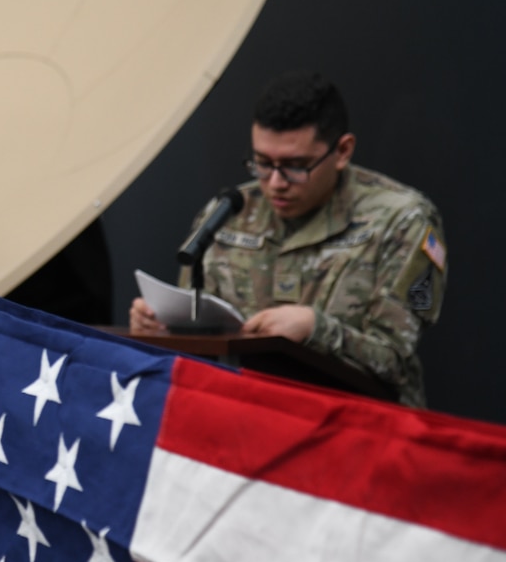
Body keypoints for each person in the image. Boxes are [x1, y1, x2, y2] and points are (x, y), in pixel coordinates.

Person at [129, 70, 446, 407]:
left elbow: (395, 359)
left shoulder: (402, 219)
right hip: (245, 421)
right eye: (263, 164)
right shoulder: (229, 213)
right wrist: (160, 328)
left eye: (296, 166)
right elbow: (201, 348)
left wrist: (315, 330)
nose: (276, 183)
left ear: (342, 151)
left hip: (360, 428)